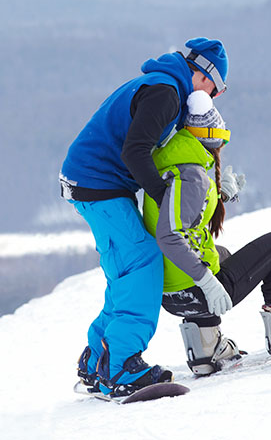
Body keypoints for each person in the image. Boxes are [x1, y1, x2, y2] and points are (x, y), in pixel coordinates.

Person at [61, 38, 229, 397]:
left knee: (126, 269)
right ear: (202, 74)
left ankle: (96, 361)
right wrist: (164, 196)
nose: (212, 98)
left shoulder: (164, 85)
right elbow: (135, 151)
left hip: (93, 182)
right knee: (142, 263)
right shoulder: (166, 93)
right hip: (98, 185)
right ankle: (121, 366)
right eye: (215, 89)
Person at [142, 91, 271, 376]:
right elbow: (170, 235)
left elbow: (183, 210)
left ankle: (204, 349)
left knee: (222, 254)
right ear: (211, 139)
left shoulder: (170, 163)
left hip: (170, 292)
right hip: (194, 291)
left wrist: (220, 193)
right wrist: (206, 282)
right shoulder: (192, 173)